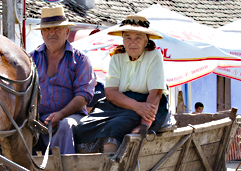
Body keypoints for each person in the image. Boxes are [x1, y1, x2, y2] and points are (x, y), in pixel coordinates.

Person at [74, 15, 173, 155]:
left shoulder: (154, 56)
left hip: (149, 104)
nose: (132, 42)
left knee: (115, 127)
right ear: (123, 40)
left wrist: (144, 125)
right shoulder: (117, 57)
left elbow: (155, 94)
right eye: (128, 37)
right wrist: (135, 106)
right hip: (118, 104)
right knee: (82, 128)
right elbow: (110, 93)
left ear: (146, 41)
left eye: (138, 38)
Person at [29, 5, 95, 156]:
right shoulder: (31, 59)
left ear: (66, 32)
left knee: (65, 125)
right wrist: (32, 117)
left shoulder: (80, 59)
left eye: (57, 29)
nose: (52, 33)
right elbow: (24, 92)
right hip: (39, 118)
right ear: (42, 33)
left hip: (71, 116)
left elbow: (83, 96)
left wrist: (61, 114)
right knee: (18, 129)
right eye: (47, 29)